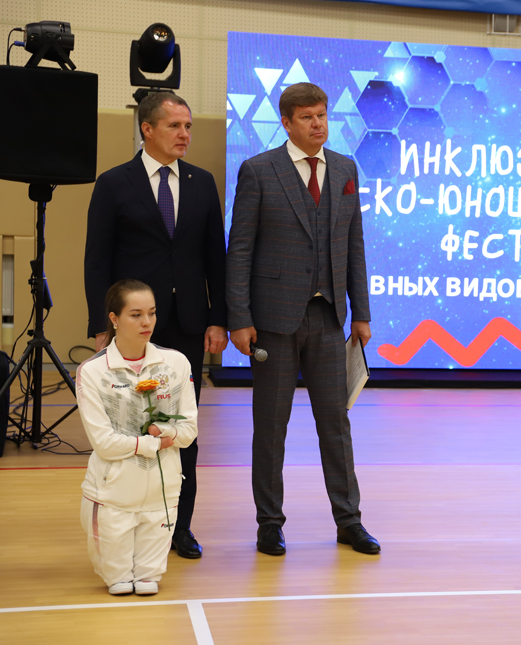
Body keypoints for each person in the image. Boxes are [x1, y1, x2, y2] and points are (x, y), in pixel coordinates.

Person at [226, 82, 378, 556]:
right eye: (308, 117)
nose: (318, 124)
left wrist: (361, 312)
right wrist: (239, 318)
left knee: (336, 424)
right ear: (287, 123)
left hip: (329, 318)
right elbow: (240, 249)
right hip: (273, 321)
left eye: (322, 115)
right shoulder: (258, 170)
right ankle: (269, 523)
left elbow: (354, 244)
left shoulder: (345, 169)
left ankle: (349, 521)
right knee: (271, 427)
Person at [84, 92, 228, 560]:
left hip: (187, 326)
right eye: (175, 126)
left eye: (188, 126)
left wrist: (219, 319)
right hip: (131, 328)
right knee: (130, 428)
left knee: (181, 429)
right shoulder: (113, 183)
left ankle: (178, 527)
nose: (185, 134)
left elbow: (216, 257)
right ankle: (127, 521)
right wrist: (101, 324)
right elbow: (97, 260)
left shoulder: (203, 183)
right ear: (147, 128)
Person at [77, 279, 197, 596]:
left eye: (152, 313)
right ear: (114, 318)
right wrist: (156, 442)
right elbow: (104, 443)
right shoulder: (93, 371)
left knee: (147, 582)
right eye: (136, 314)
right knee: (117, 582)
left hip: (163, 493)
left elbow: (188, 431)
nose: (147, 322)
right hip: (111, 494)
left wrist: (167, 431)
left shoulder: (176, 363)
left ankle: (146, 566)